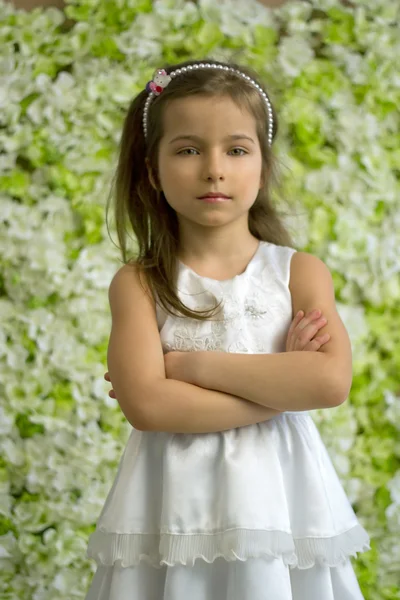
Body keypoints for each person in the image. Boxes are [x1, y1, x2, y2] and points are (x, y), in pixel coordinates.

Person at [84, 59, 370, 599]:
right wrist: (282, 389)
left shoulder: (299, 273)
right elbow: (148, 407)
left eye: (236, 150)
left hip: (281, 502)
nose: (213, 169)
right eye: (188, 149)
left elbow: (329, 384)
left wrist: (192, 367)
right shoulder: (140, 284)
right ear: (152, 170)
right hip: (171, 506)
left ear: (262, 165)